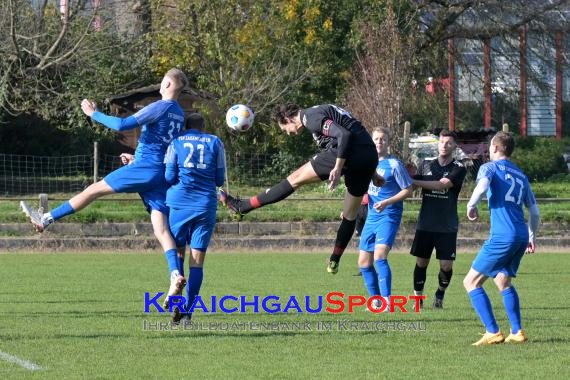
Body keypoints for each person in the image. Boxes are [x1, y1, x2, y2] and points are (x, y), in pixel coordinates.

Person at [20, 68, 189, 300]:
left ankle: (46, 219)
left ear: (169, 85)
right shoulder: (179, 114)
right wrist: (136, 158)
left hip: (145, 169)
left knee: (93, 189)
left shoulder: (160, 106)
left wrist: (94, 114)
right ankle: (175, 274)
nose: (159, 85)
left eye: (162, 81)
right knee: (161, 228)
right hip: (160, 172)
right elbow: (165, 146)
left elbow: (123, 125)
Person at [219, 104, 382, 275]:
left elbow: (344, 134)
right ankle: (334, 260)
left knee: (294, 179)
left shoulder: (309, 117)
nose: (288, 133)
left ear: (288, 119)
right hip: (368, 156)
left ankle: (242, 206)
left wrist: (337, 167)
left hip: (349, 154)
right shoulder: (319, 114)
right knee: (350, 215)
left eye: (284, 129)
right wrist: (372, 171)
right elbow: (357, 133)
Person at [463, 131, 539, 346]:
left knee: (470, 282)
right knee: (503, 281)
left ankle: (492, 331)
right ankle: (517, 332)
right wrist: (532, 236)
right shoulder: (521, 175)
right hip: (521, 235)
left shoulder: (490, 167)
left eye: (489, 147)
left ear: (495, 148)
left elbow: (483, 186)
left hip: (503, 236)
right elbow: (534, 212)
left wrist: (471, 204)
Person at [163, 113, 225, 325]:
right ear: (203, 127)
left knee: (178, 255)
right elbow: (219, 179)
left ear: (185, 127)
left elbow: (169, 177)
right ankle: (188, 315)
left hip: (179, 204)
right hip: (204, 205)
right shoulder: (216, 142)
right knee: (197, 262)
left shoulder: (176, 142)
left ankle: (177, 295)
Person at [410, 130, 467, 309]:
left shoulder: (459, 167)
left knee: (446, 266)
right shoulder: (425, 164)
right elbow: (409, 187)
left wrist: (415, 181)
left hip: (447, 225)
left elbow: (442, 185)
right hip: (426, 223)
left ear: (455, 146)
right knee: (421, 262)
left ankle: (439, 295)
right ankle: (418, 299)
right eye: (441, 142)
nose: (444, 145)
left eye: (449, 143)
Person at [358, 128, 412, 310]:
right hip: (371, 217)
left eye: (382, 139)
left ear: (388, 142)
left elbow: (408, 190)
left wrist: (388, 202)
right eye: (376, 139)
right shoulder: (367, 164)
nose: (379, 142)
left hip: (389, 216)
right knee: (364, 262)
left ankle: (387, 302)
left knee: (380, 256)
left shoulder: (394, 165)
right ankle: (375, 301)